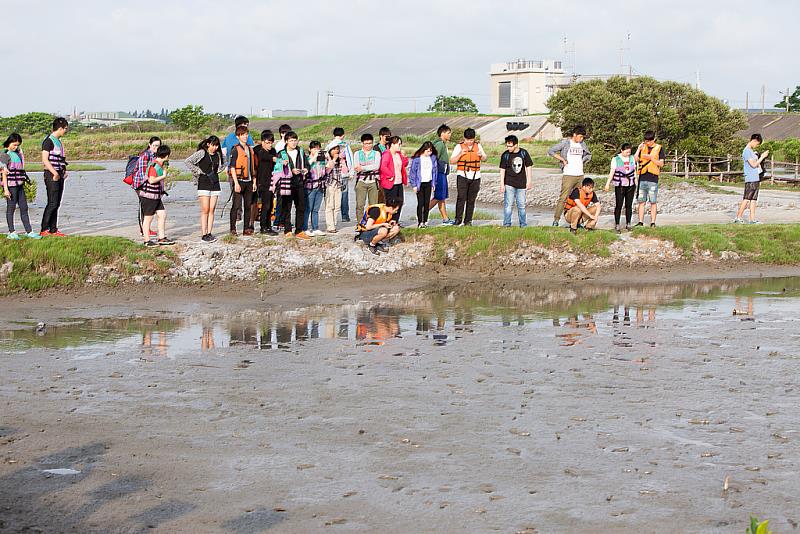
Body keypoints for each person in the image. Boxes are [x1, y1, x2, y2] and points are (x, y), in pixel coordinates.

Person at [547, 126, 591, 227]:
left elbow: (588, 154)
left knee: (579, 198)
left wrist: (583, 161)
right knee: (563, 197)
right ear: (574, 135)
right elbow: (551, 151)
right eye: (580, 137)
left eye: (582, 137)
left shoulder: (582, 144)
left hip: (580, 174)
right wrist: (562, 159)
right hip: (568, 174)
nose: (581, 139)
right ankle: (556, 220)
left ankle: (577, 221)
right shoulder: (566, 143)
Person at [185, 135, 224, 242]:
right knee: (205, 209)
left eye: (216, 146)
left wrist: (220, 170)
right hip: (203, 183)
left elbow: (223, 165)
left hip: (215, 183)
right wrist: (198, 171)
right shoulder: (202, 153)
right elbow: (188, 161)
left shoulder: (218, 155)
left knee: (212, 209)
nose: (215, 147)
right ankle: (204, 233)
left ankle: (209, 232)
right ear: (208, 144)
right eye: (213, 145)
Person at [1, 134, 40, 239]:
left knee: (24, 208)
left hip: (20, 185)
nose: (15, 147)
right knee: (11, 208)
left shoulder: (18, 154)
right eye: (14, 145)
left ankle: (29, 231)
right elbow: (3, 173)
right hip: (11, 186)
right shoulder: (4, 155)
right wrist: (6, 190)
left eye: (17, 145)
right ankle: (11, 232)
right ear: (9, 142)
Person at [273, 131, 310, 239]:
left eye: (295, 140)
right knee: (286, 207)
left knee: (301, 206)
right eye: (291, 141)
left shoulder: (301, 151)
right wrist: (290, 170)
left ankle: (299, 230)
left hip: (299, 182)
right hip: (286, 183)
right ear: (286, 141)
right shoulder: (281, 153)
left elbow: (307, 164)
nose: (293, 143)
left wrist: (306, 169)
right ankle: (287, 230)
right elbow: (277, 169)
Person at [449, 128, 487, 226]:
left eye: (471, 140)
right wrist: (460, 154)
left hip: (475, 176)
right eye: (467, 140)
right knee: (461, 197)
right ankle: (458, 219)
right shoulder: (459, 146)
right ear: (464, 139)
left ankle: (468, 220)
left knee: (471, 199)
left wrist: (481, 155)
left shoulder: (478, 146)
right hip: (462, 175)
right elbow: (452, 161)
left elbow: (485, 158)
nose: (469, 142)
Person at [139, 145, 175, 246]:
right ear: (166, 156)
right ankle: (147, 240)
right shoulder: (154, 166)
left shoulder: (159, 165)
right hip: (149, 196)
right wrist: (163, 176)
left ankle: (161, 238)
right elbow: (151, 180)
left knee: (162, 214)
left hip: (156, 196)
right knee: (148, 218)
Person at [40, 117, 69, 236]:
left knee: (57, 203)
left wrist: (63, 171)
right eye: (65, 129)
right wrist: (55, 173)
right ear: (60, 128)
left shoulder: (59, 141)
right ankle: (44, 229)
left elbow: (61, 159)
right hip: (51, 175)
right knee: (52, 202)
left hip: (60, 174)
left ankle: (53, 229)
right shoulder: (48, 141)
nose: (66, 131)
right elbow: (45, 160)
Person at [228, 125, 258, 236]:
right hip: (239, 181)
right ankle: (233, 229)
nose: (245, 136)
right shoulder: (235, 149)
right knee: (236, 206)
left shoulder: (250, 149)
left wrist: (254, 181)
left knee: (248, 205)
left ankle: (246, 229)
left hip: (249, 181)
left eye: (246, 134)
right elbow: (232, 167)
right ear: (238, 136)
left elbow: (253, 167)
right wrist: (235, 183)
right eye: (242, 135)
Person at [499, 135, 533, 228]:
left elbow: (529, 166)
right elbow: (502, 169)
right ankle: (507, 224)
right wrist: (502, 184)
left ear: (516, 145)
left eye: (510, 146)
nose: (508, 148)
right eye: (507, 146)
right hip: (509, 183)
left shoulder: (524, 153)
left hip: (521, 183)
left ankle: (523, 224)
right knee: (508, 205)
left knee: (521, 205)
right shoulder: (505, 155)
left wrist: (529, 181)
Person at [735, 133, 769, 224]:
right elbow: (753, 165)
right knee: (746, 198)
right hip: (750, 178)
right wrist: (762, 157)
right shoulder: (747, 151)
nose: (756, 146)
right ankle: (738, 217)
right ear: (754, 141)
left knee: (754, 199)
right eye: (757, 144)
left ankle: (752, 219)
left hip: (756, 178)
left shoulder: (751, 151)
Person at [603, 143, 637, 232]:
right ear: (622, 150)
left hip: (631, 185)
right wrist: (607, 183)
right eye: (626, 152)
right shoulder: (615, 159)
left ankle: (628, 223)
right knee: (619, 205)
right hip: (620, 185)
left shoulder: (632, 158)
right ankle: (617, 224)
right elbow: (612, 172)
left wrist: (636, 181)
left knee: (629, 205)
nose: (628, 154)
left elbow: (635, 171)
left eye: (629, 152)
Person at [132, 137, 161, 239]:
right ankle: (144, 230)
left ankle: (145, 229)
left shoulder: (154, 155)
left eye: (158, 146)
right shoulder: (146, 155)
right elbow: (143, 173)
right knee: (145, 207)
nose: (156, 147)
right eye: (154, 145)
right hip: (140, 184)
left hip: (148, 184)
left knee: (147, 207)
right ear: (150, 145)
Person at [634, 131, 664, 227]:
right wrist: (638, 149)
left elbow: (661, 163)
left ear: (654, 139)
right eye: (646, 141)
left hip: (653, 179)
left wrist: (651, 158)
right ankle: (640, 222)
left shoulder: (659, 148)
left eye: (650, 141)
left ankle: (653, 222)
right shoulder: (643, 148)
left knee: (653, 201)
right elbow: (635, 159)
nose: (648, 143)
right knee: (641, 201)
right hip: (642, 178)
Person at [325, 127, 355, 222]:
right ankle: (345, 215)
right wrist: (351, 172)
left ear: (334, 135)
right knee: (344, 194)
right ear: (343, 135)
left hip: (332, 174)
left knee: (331, 196)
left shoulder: (329, 145)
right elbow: (350, 159)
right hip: (343, 172)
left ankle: (332, 218)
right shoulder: (345, 145)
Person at [253, 130, 278, 235]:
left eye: (271, 142)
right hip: (263, 182)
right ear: (262, 142)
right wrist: (275, 159)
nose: (269, 145)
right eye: (267, 142)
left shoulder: (273, 151)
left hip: (272, 182)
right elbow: (268, 157)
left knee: (270, 205)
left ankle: (268, 226)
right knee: (265, 205)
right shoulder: (260, 152)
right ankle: (263, 227)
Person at [408, 141, 438, 228]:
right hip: (419, 184)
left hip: (428, 182)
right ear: (423, 150)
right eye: (428, 151)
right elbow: (412, 173)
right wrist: (413, 185)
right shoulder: (417, 159)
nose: (429, 153)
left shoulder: (432, 158)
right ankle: (420, 221)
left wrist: (434, 184)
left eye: (430, 151)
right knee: (420, 203)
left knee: (426, 203)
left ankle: (425, 220)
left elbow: (434, 172)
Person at [379, 136, 409, 222]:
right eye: (398, 144)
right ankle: (389, 220)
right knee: (391, 203)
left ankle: (395, 221)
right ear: (392, 144)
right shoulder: (387, 154)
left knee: (400, 202)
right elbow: (383, 166)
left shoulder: (398, 154)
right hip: (390, 182)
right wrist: (390, 174)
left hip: (399, 182)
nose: (400, 146)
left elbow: (404, 164)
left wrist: (405, 157)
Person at [353, 133, 381, 221]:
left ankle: (372, 222)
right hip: (361, 181)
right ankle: (360, 223)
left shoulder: (376, 153)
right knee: (360, 205)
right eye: (366, 143)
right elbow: (357, 167)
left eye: (370, 143)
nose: (368, 145)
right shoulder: (357, 153)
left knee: (373, 205)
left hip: (373, 181)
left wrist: (363, 168)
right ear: (362, 143)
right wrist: (366, 168)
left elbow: (376, 166)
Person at [430, 124, 452, 224]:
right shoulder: (439, 145)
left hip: (442, 173)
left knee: (441, 197)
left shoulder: (442, 144)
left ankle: (445, 218)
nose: (450, 135)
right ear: (442, 133)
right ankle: (423, 213)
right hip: (439, 173)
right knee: (439, 196)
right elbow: (434, 159)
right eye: (448, 133)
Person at [323, 144, 348, 233]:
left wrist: (342, 161)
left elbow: (345, 171)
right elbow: (327, 170)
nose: (336, 151)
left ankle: (334, 223)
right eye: (334, 149)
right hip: (329, 185)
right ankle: (330, 226)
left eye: (337, 149)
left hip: (338, 185)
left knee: (337, 206)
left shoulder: (340, 160)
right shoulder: (326, 159)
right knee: (330, 206)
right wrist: (333, 159)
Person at [305, 141, 326, 236]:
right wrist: (314, 157)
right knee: (308, 208)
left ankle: (315, 227)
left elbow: (325, 171)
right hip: (310, 186)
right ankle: (304, 228)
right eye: (314, 148)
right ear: (310, 149)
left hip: (320, 185)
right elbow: (306, 167)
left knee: (316, 209)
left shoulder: (321, 160)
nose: (316, 150)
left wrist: (329, 159)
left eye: (318, 148)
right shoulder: (307, 159)